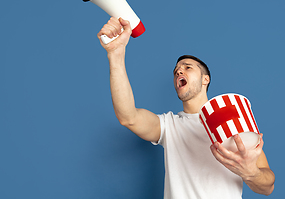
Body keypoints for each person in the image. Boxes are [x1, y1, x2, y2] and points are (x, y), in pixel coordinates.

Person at [97, 17, 275, 198]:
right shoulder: (169, 125)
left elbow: (267, 186)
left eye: (187, 67)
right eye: (176, 71)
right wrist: (115, 55)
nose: (179, 71)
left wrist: (251, 173)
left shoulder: (232, 118)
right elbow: (129, 118)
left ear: (206, 79)